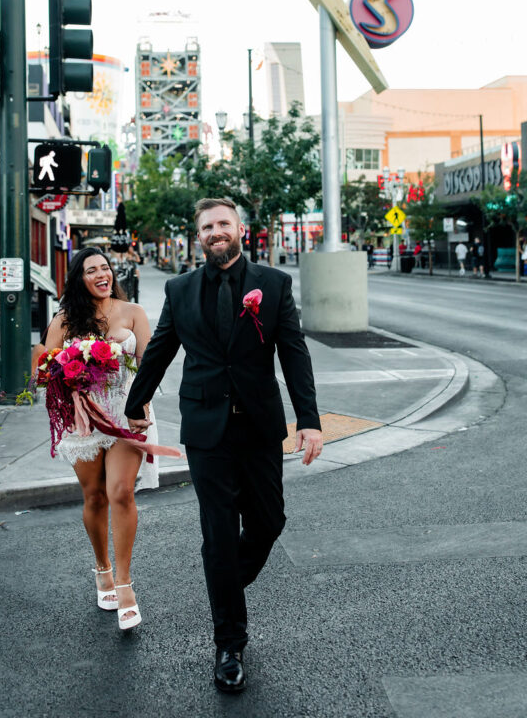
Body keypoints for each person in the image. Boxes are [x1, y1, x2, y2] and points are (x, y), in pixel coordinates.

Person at [125, 197, 323, 694]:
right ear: (200, 236)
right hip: (206, 430)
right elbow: (161, 350)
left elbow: (294, 353)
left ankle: (226, 583)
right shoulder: (180, 288)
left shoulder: (273, 285)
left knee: (269, 520)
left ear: (240, 229)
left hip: (258, 427)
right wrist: (134, 407)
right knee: (217, 533)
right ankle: (229, 643)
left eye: (222, 224)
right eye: (207, 226)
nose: (215, 232)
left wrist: (310, 420)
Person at [42, 247, 157, 632]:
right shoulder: (63, 319)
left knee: (122, 491)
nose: (101, 274)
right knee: (95, 496)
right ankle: (102, 570)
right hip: (85, 420)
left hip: (127, 414)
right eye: (91, 270)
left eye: (105, 268)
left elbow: (150, 363)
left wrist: (141, 404)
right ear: (80, 279)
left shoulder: (133, 313)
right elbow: (47, 368)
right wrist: (70, 373)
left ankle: (125, 585)